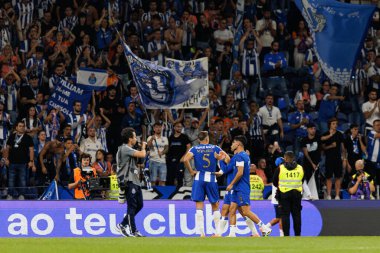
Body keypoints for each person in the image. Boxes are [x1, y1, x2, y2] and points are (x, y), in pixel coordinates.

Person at [220, 135, 271, 237]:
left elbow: (240, 172)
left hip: (241, 187)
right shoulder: (244, 155)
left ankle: (264, 227)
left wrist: (231, 184)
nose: (231, 144)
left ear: (238, 144)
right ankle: (232, 234)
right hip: (237, 188)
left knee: (246, 211)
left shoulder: (240, 156)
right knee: (232, 209)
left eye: (233, 142)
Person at [183, 131, 225, 237]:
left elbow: (185, 159)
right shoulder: (215, 148)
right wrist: (221, 170)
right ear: (207, 139)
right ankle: (218, 232)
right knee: (215, 205)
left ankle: (201, 233)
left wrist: (192, 171)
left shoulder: (194, 149)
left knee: (199, 204)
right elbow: (226, 158)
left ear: (199, 140)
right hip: (211, 177)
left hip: (199, 178)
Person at [116, 127, 147, 237]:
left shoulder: (130, 149)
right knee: (132, 206)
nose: (136, 138)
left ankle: (122, 224)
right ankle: (134, 231)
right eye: (134, 137)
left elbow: (140, 161)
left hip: (135, 179)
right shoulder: (124, 148)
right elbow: (142, 154)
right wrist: (143, 147)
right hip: (128, 180)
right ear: (130, 138)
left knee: (140, 205)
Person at [273, 151, 304, 236]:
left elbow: (275, 182)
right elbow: (302, 180)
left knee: (285, 215)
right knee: (297, 215)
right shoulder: (300, 168)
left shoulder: (280, 168)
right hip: (296, 194)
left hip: (284, 194)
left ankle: (286, 235)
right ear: (293, 158)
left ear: (285, 158)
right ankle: (298, 235)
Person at [3, 121, 35, 200]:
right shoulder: (12, 136)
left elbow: (31, 150)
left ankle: (22, 195)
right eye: (20, 126)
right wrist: (6, 159)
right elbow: (7, 148)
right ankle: (10, 194)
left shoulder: (28, 137)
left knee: (23, 180)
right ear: (16, 127)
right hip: (12, 162)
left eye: (23, 126)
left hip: (23, 163)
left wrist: (31, 161)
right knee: (11, 180)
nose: (22, 127)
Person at [266, 157, 285, 237]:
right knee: (281, 217)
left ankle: (265, 227)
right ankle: (282, 234)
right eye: (283, 162)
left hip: (277, 198)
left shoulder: (278, 171)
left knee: (278, 217)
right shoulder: (280, 172)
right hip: (278, 198)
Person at [147, 122, 168, 186]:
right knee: (153, 180)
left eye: (159, 127)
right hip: (153, 161)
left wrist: (162, 152)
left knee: (162, 180)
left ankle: (162, 195)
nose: (158, 128)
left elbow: (167, 149)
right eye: (156, 127)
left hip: (163, 162)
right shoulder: (150, 137)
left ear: (162, 128)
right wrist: (151, 139)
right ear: (154, 129)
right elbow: (148, 146)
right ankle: (153, 195)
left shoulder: (165, 138)